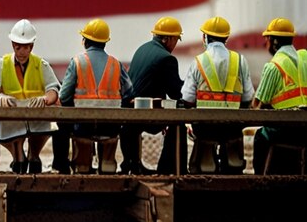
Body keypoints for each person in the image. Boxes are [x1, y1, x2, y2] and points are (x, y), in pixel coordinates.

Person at [55, 18, 134, 174]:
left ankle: (78, 165)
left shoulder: (77, 62)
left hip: (83, 126)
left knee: (61, 127)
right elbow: (129, 92)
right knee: (109, 156)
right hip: (111, 126)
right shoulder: (115, 64)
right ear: (105, 42)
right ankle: (107, 164)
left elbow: (64, 96)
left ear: (85, 41)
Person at [0, 19, 61, 174]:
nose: (21, 51)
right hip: (11, 114)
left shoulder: (41, 64)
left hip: (36, 113)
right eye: (17, 46)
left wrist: (45, 99)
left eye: (25, 47)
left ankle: (34, 156)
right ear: (13, 44)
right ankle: (18, 156)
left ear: (31, 46)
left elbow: (53, 89)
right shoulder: (2, 63)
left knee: (41, 129)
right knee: (10, 130)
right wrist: (0, 98)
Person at [181, 17, 254, 174]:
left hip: (205, 128)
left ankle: (205, 164)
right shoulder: (240, 61)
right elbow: (248, 98)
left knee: (201, 164)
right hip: (233, 128)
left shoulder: (199, 61)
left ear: (205, 37)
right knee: (234, 165)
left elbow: (187, 99)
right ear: (226, 38)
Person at [119, 16, 187, 175]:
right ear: (167, 39)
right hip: (147, 109)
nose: (176, 44)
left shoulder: (142, 49)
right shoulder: (167, 58)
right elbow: (176, 92)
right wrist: (191, 87)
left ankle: (133, 165)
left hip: (131, 107)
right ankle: (169, 168)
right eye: (176, 39)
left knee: (133, 128)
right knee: (179, 126)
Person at [251, 17, 307, 174]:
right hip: (304, 128)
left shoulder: (274, 66)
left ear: (273, 41)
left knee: (260, 136)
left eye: (267, 39)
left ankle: (261, 179)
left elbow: (258, 105)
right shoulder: (305, 58)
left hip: (286, 131)